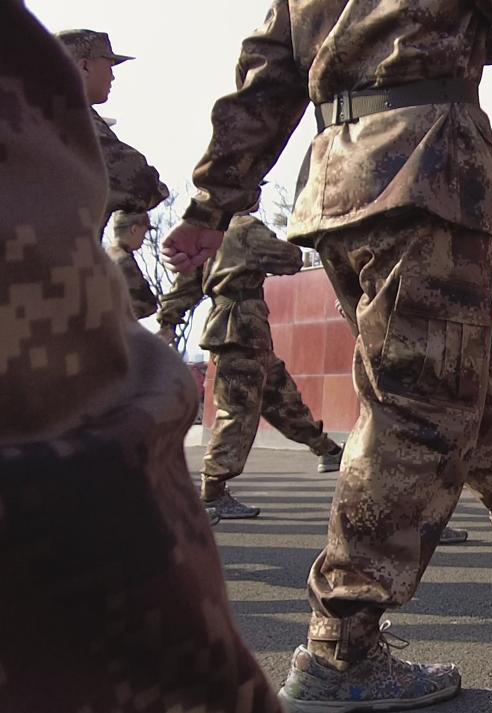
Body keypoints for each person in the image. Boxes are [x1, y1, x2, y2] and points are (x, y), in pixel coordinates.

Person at [160, 3, 492, 709]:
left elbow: (266, 80)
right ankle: (343, 644)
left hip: (341, 179)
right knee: (419, 404)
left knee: (446, 381)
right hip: (425, 169)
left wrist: (212, 203)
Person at [0, 8, 282, 711]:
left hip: (167, 319)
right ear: (79, 66)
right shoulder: (56, 113)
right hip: (50, 316)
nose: (110, 77)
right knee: (91, 454)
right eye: (105, 64)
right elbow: (143, 181)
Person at [157, 209, 345, 519]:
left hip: (241, 333)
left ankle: (328, 450)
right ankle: (213, 492)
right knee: (237, 412)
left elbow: (185, 285)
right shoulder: (244, 227)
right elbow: (290, 259)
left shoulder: (208, 235)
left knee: (281, 398)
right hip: (241, 331)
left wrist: (168, 321)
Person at [55, 29, 168, 232]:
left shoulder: (26, 114)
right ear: (84, 66)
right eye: (109, 65)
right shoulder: (71, 118)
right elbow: (140, 183)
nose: (113, 77)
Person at [106, 210, 159, 320]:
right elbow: (147, 304)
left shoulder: (103, 257)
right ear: (134, 230)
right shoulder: (124, 261)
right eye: (144, 232)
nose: (144, 238)